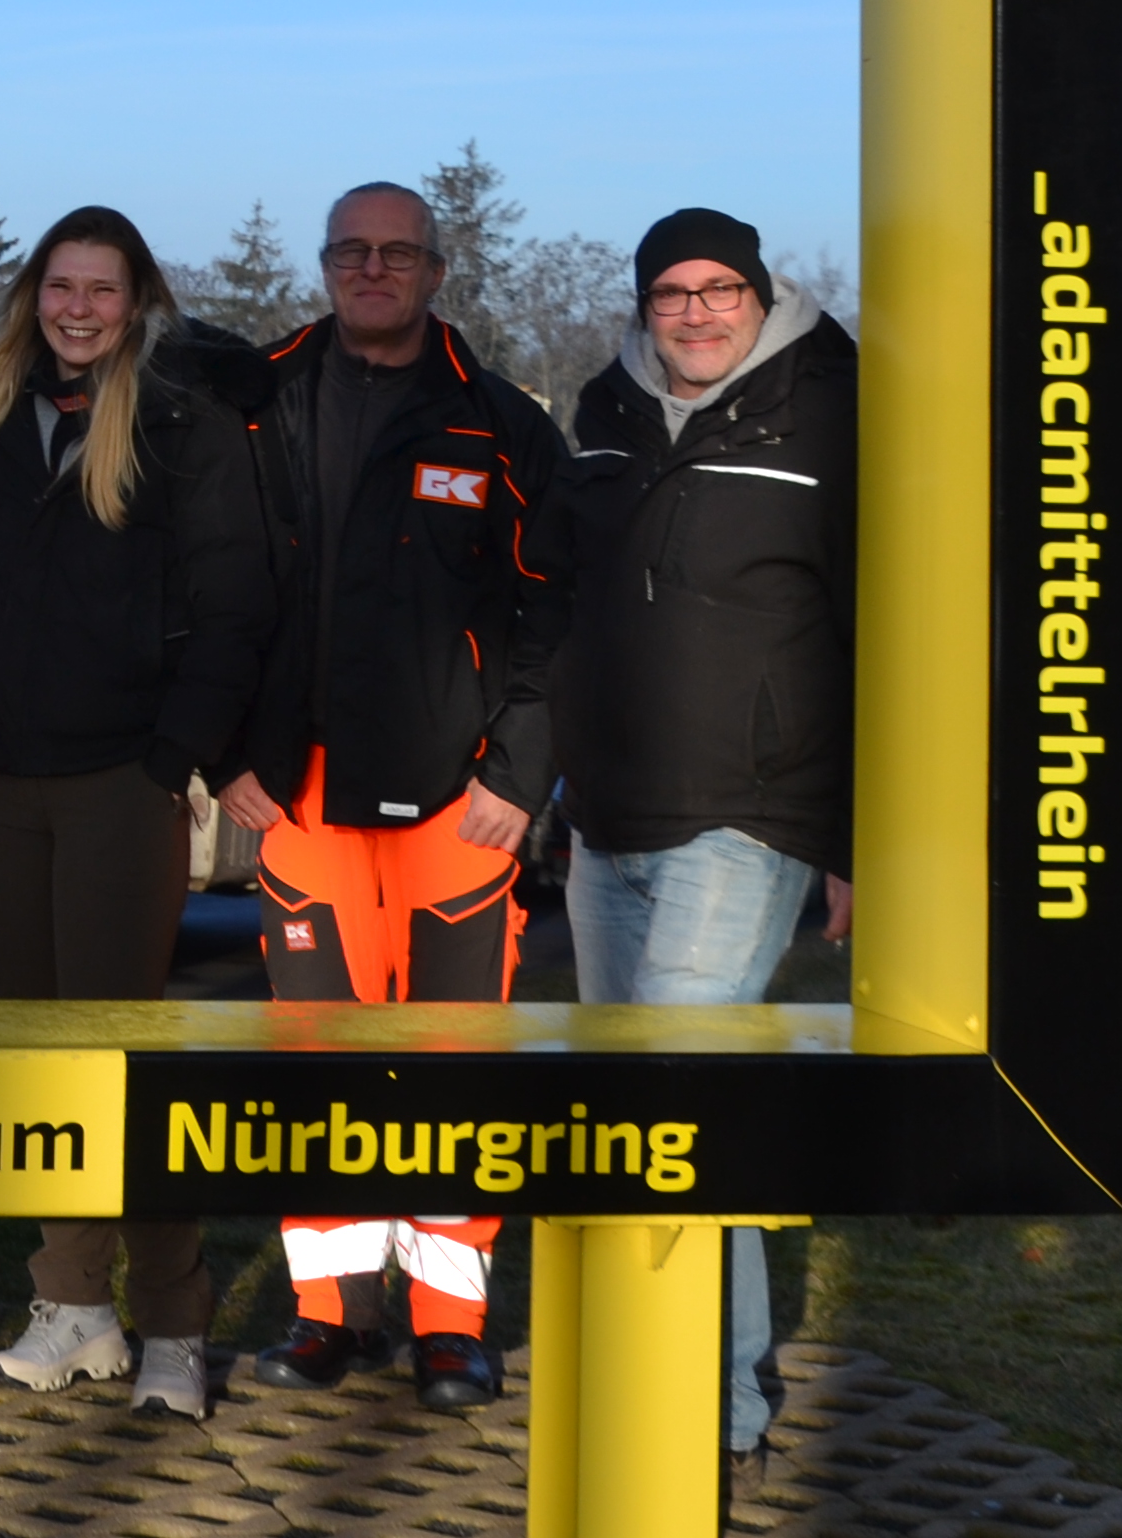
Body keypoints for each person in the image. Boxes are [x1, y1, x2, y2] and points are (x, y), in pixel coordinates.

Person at [216, 181, 571, 1416]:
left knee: (452, 1070)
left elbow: (554, 615)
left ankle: (450, 1327)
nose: (373, 270)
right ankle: (330, 1313)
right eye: (352, 252)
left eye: (398, 253)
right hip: (302, 801)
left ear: (435, 272)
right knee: (318, 1068)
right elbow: (212, 589)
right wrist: (225, 753)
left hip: (455, 808)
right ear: (325, 267)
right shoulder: (259, 402)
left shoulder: (500, 424)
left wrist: (519, 774)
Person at [0, 207, 279, 1422]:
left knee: (123, 1059)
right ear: (33, 295)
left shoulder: (183, 425)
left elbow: (236, 604)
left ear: (137, 304)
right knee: (41, 1057)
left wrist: (173, 755)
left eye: (102, 290)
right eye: (61, 287)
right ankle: (73, 1305)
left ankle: (174, 1321)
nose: (78, 310)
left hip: (118, 784)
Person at [557, 206, 855, 1501]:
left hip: (749, 819)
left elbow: (882, 626)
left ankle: (702, 1412)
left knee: (671, 1112)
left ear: (760, 294)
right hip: (605, 824)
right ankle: (686, 1385)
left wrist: (857, 841)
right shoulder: (602, 416)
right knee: (640, 1127)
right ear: (644, 307)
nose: (694, 311)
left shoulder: (833, 414)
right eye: (670, 292)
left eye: (718, 288)